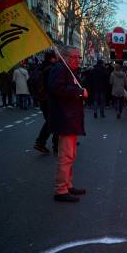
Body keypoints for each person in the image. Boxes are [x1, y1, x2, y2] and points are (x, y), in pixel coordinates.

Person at [48, 46, 88, 202]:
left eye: (79, 57)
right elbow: (56, 89)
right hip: (65, 119)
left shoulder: (68, 70)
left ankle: (68, 184)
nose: (78, 59)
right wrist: (79, 92)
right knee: (65, 156)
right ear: (64, 56)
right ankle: (61, 189)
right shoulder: (59, 69)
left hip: (70, 119)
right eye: (75, 57)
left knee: (71, 155)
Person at [33, 50, 59, 154]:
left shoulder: (40, 67)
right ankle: (48, 143)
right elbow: (53, 86)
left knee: (51, 121)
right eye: (56, 56)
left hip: (42, 98)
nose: (57, 58)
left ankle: (46, 143)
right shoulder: (52, 68)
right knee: (54, 121)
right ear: (52, 58)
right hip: (50, 99)